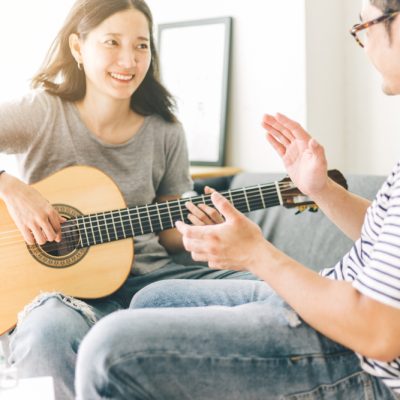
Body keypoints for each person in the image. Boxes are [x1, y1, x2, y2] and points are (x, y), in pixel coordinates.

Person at [74, 0, 400, 399]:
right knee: (157, 297)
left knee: (109, 352)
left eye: (364, 27)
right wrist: (321, 190)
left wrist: (255, 254)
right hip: (345, 302)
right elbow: (385, 237)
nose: (363, 43)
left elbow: (380, 332)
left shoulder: (163, 130)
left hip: (367, 362)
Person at [0, 1, 255, 399]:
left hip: (154, 282)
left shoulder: (166, 130)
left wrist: (194, 231)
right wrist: (9, 186)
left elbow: (169, 230)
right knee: (46, 330)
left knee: (268, 289)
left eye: (141, 45)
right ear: (78, 48)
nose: (129, 59)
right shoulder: (42, 113)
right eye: (112, 43)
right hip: (60, 293)